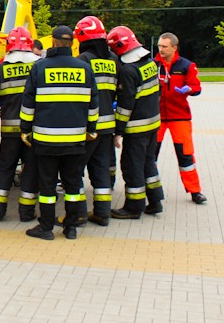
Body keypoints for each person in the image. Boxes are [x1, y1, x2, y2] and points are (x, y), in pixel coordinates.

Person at [20, 25, 98, 240]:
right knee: (73, 185)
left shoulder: (39, 67)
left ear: (52, 42)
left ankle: (46, 228)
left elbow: (28, 105)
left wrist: (25, 130)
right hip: (75, 140)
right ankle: (70, 228)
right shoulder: (85, 68)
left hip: (46, 139)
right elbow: (93, 105)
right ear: (73, 44)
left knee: (47, 185)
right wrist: (91, 129)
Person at [106, 26, 164, 219]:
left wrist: (118, 131)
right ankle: (155, 201)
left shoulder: (129, 71)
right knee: (149, 163)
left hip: (136, 128)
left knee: (131, 166)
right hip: (153, 123)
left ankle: (134, 206)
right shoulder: (149, 63)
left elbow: (125, 105)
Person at [0, 26, 40, 222]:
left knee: (4, 169)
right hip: (32, 130)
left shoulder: (2, 67)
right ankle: (26, 213)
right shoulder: (38, 66)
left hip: (9, 130)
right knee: (30, 169)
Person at [74, 16, 119, 226]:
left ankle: (79, 214)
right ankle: (102, 214)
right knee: (101, 170)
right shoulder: (113, 59)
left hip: (88, 127)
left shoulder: (83, 60)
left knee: (75, 171)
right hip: (108, 126)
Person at [155, 32, 207, 204]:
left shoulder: (186, 65)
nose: (161, 50)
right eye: (159, 46)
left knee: (185, 155)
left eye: (164, 47)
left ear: (174, 48)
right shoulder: (153, 65)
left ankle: (195, 191)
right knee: (149, 154)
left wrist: (189, 89)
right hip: (156, 117)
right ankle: (149, 189)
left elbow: (196, 87)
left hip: (180, 117)